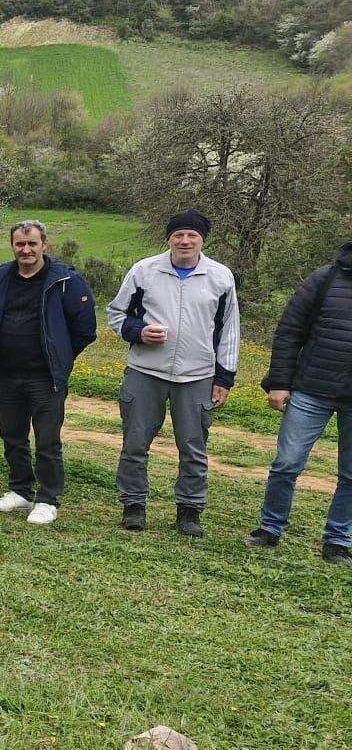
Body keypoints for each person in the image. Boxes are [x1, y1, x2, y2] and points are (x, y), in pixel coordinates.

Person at [107, 210, 240, 536]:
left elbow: (229, 331)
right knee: (135, 442)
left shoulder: (221, 277)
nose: (185, 241)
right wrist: (138, 332)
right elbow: (116, 313)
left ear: (202, 240)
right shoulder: (144, 271)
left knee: (193, 447)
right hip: (146, 371)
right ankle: (133, 505)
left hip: (197, 375)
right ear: (169, 238)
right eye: (178, 234)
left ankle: (189, 510)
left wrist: (224, 378)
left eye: (192, 235)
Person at [0, 220, 97, 526]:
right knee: (12, 436)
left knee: (47, 441)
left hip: (46, 377)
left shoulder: (65, 280)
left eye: (32, 243)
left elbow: (85, 330)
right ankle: (20, 490)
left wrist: (60, 356)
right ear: (12, 246)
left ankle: (48, 500)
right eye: (20, 244)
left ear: (44, 244)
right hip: (8, 373)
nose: (26, 250)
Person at [247, 239, 352, 564]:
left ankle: (338, 541)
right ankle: (270, 528)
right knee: (287, 464)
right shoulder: (325, 278)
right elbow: (290, 331)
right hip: (310, 390)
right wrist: (279, 382)